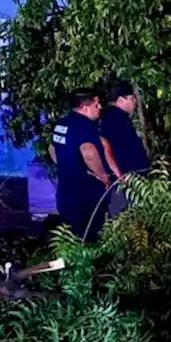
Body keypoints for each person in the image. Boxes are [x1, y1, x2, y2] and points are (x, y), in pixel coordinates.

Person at [49, 88, 110, 242]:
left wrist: (66, 163)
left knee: (72, 239)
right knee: (90, 240)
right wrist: (102, 175)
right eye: (96, 105)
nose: (100, 108)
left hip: (65, 194)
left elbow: (52, 148)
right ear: (85, 107)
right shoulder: (85, 127)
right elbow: (89, 153)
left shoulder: (62, 124)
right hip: (86, 195)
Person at [99, 80, 150, 217]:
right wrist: (121, 175)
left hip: (131, 178)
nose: (134, 102)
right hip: (125, 179)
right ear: (121, 99)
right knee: (126, 217)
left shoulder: (120, 118)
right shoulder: (113, 119)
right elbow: (111, 149)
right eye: (132, 98)